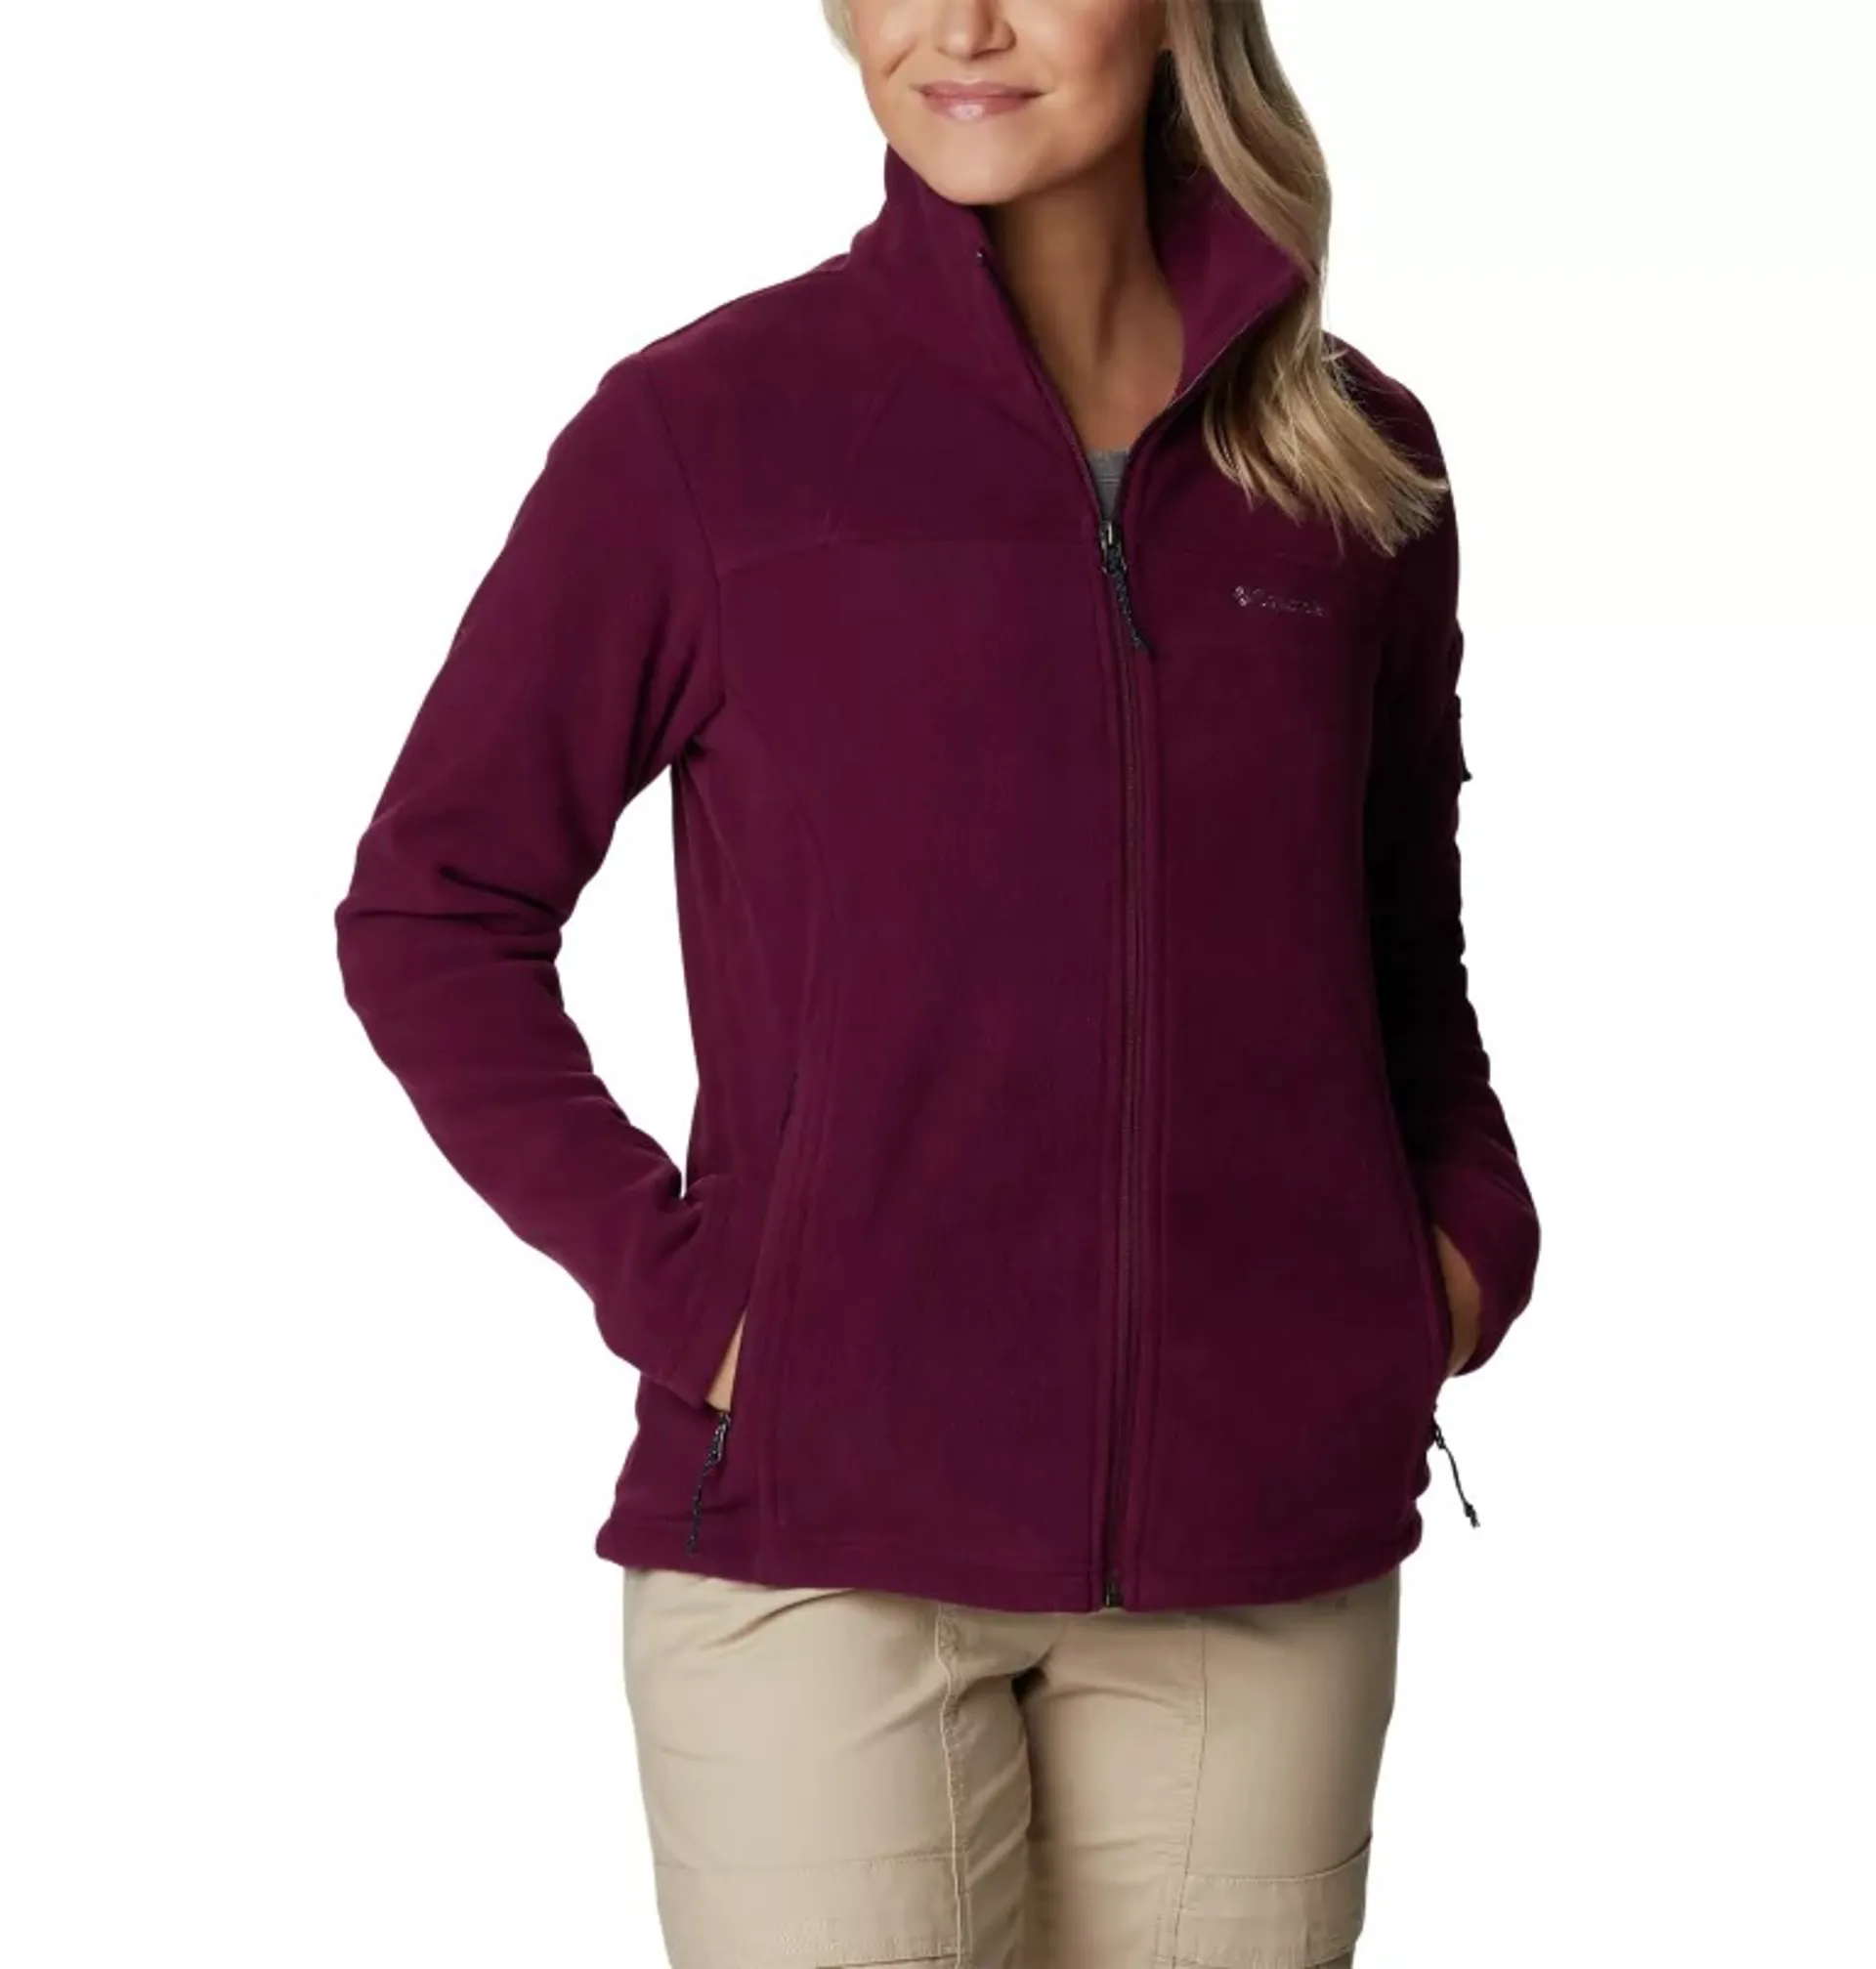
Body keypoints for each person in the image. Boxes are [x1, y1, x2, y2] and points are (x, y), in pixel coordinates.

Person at [331, 2, 1542, 1962]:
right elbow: (432, 906)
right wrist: (699, 1297)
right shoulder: (706, 436)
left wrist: (1454, 1255)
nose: (958, 25)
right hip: (817, 1560)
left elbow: (1399, 941)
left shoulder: (1352, 458)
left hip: (1261, 1551)